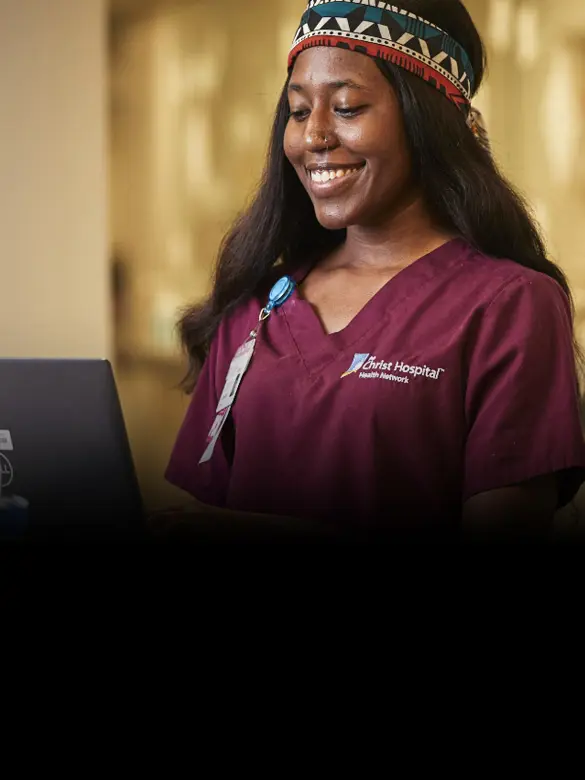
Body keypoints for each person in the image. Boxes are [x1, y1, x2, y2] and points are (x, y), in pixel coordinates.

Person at [163, 0, 585, 540]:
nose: (313, 135)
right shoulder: (257, 305)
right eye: (297, 111)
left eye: (347, 108)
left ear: (424, 121)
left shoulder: (510, 304)